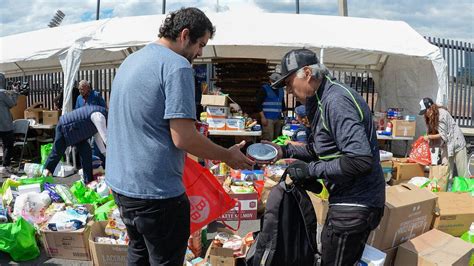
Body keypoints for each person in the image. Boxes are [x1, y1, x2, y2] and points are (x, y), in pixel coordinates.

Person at [105, 8, 254, 265]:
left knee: (138, 254)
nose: (201, 53)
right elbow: (183, 138)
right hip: (156, 193)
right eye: (200, 44)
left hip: (123, 186)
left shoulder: (132, 60)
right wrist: (227, 155)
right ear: (185, 35)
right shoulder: (177, 66)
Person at [266, 49, 385, 265]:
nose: (289, 91)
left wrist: (311, 171)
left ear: (308, 73)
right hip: (345, 200)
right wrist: (285, 151)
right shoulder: (319, 99)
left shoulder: (336, 101)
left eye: (289, 83)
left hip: (356, 203)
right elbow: (320, 149)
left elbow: (360, 160)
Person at [43, 105, 107, 183]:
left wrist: (106, 155)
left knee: (86, 152)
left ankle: (88, 182)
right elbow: (105, 139)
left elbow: (98, 138)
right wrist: (111, 157)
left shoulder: (100, 115)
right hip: (65, 126)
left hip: (78, 132)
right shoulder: (99, 117)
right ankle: (44, 178)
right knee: (57, 153)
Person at [419, 97, 468, 180]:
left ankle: (467, 192)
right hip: (446, 145)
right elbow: (435, 134)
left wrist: (429, 137)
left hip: (457, 143)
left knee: (462, 173)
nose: (425, 114)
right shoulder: (431, 117)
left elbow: (443, 135)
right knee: (446, 171)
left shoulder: (441, 114)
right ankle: (447, 190)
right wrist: (430, 143)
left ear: (430, 108)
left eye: (425, 111)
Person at [0, 73, 19, 176]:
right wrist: (15, 92)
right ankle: (5, 166)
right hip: (5, 124)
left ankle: (5, 166)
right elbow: (12, 103)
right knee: (8, 145)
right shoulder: (2, 93)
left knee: (4, 145)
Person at [257, 73, 285, 141]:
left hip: (278, 118)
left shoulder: (281, 90)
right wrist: (263, 117)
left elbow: (282, 104)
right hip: (267, 118)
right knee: (268, 139)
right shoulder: (264, 89)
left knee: (276, 139)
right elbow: (258, 104)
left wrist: (284, 117)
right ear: (270, 80)